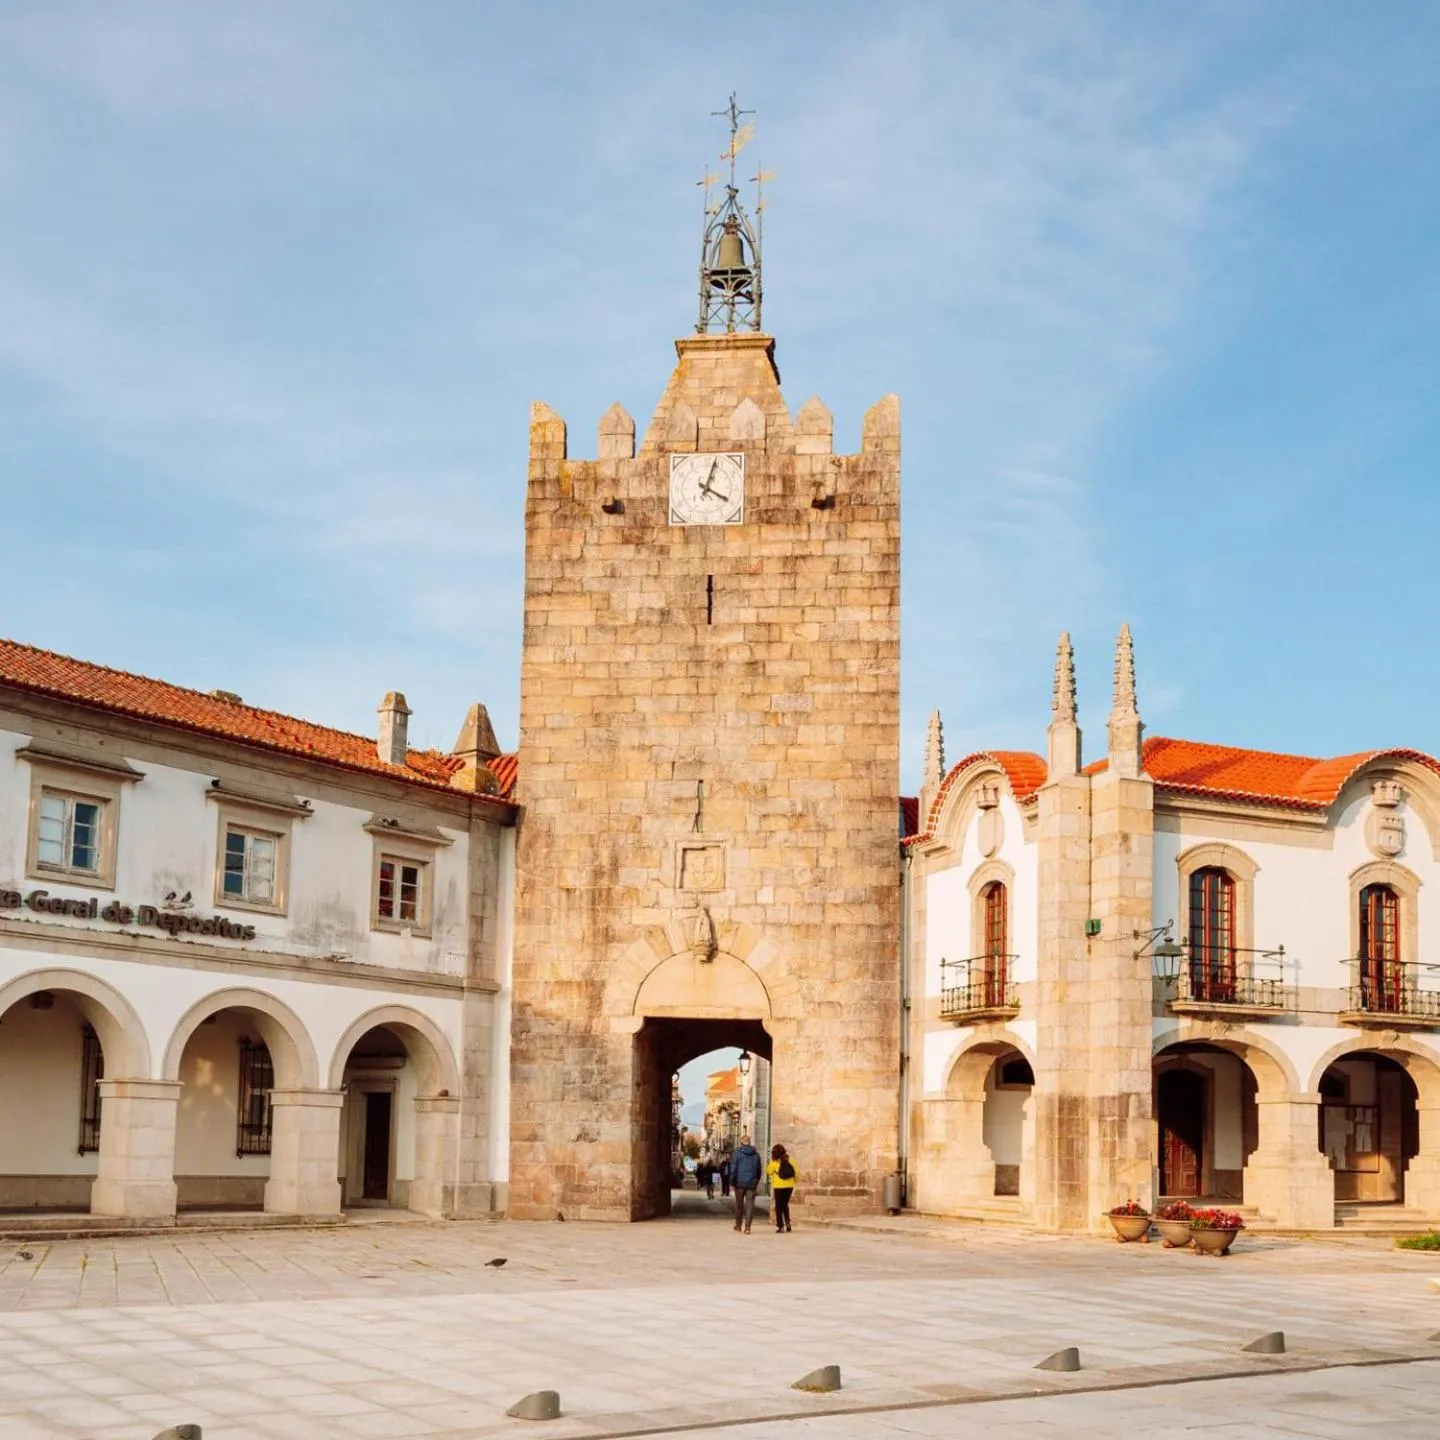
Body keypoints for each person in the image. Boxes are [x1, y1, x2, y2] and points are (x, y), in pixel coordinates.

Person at [729, 1132, 762, 1233]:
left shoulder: (737, 1153)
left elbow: (733, 1169)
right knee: (750, 1205)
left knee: (739, 1205)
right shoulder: (756, 1154)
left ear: (741, 1142)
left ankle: (738, 1226)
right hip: (751, 1183)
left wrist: (732, 1182)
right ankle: (748, 1227)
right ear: (749, 1142)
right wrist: (756, 1181)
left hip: (739, 1183)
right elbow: (759, 1170)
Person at [767, 1143, 797, 1232]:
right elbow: (796, 1173)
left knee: (778, 1206)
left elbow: (768, 1172)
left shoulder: (774, 1163)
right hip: (789, 1186)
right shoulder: (790, 1161)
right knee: (785, 1205)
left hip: (778, 1186)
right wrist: (793, 1182)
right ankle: (788, 1223)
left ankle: (780, 1226)